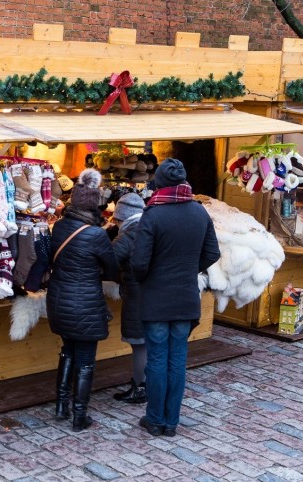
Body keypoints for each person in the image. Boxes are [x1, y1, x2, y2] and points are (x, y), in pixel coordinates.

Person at [131, 158, 220, 437]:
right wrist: (187, 270)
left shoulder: (153, 214)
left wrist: (152, 278)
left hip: (157, 299)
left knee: (157, 359)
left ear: (159, 182)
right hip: (185, 297)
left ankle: (155, 420)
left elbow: (139, 262)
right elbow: (212, 253)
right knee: (177, 360)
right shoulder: (199, 212)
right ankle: (171, 423)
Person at [48, 168, 119, 432]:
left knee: (67, 351)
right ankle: (80, 415)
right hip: (86, 303)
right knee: (86, 359)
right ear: (95, 205)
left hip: (59, 300)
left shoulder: (58, 227)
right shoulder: (97, 235)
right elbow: (111, 270)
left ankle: (61, 405)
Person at [109, 192, 147, 404]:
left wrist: (116, 277)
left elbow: (110, 259)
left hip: (136, 295)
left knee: (139, 344)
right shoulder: (150, 227)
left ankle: (140, 388)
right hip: (153, 293)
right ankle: (146, 384)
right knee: (148, 343)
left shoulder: (129, 234)